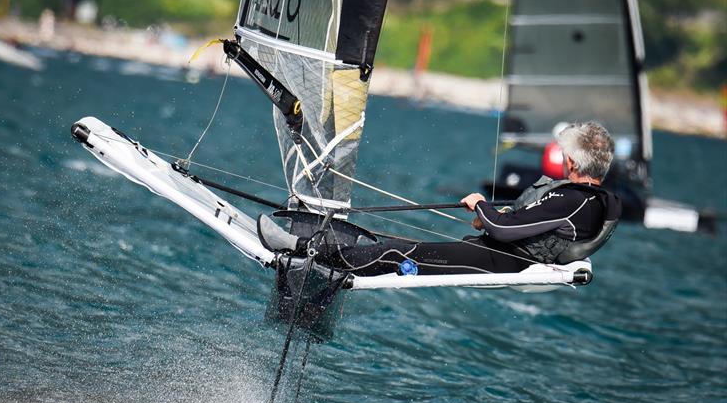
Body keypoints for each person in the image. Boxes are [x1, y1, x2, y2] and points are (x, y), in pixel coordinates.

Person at [258, 121, 621, 276]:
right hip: (497, 255)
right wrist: (492, 218)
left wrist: (480, 204)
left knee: (394, 253)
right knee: (397, 245)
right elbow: (510, 225)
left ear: (571, 161)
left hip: (498, 262)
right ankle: (321, 252)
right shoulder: (588, 200)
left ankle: (298, 249)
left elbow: (504, 229)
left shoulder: (575, 199)